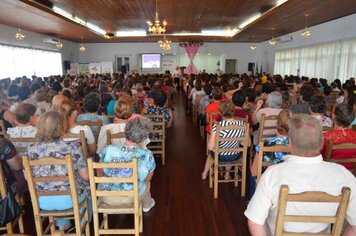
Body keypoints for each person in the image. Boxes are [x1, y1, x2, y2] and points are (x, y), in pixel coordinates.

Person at [245, 114, 356, 235]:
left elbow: (254, 222)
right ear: (322, 142)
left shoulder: (272, 174)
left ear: (290, 143)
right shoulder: (343, 174)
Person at [25, 111, 90, 231]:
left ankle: (62, 224)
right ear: (61, 127)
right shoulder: (72, 148)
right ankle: (82, 227)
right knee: (88, 190)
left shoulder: (30, 150)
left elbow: (27, 178)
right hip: (69, 200)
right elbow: (85, 176)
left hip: (41, 201)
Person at [99, 117, 156, 212]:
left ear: (126, 133)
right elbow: (147, 178)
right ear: (143, 139)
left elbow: (99, 171)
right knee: (147, 183)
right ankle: (147, 205)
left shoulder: (108, 149)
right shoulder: (147, 154)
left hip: (107, 196)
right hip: (131, 198)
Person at [201, 100, 247, 180]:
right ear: (233, 111)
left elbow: (210, 147)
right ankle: (227, 174)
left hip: (220, 156)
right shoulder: (242, 124)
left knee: (210, 155)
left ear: (219, 112)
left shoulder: (218, 126)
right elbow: (247, 144)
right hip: (235, 155)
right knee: (231, 149)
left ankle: (205, 173)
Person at [321, 104, 356, 169]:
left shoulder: (326, 137)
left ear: (334, 116)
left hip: (330, 172)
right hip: (351, 175)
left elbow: (319, 156)